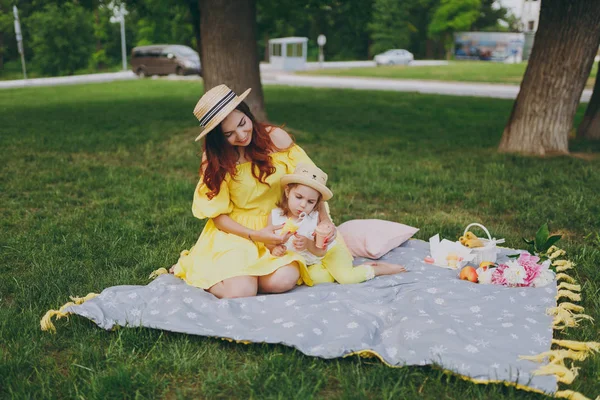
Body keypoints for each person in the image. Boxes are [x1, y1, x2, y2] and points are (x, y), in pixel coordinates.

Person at [171, 84, 400, 299]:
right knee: (241, 291)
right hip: (236, 232)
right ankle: (205, 268)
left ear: (248, 113)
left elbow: (309, 183)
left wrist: (325, 220)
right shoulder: (214, 160)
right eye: (229, 134)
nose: (241, 135)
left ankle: (247, 273)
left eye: (242, 123)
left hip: (281, 224)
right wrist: (257, 235)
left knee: (283, 281)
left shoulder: (275, 138)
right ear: (218, 138)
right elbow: (218, 217)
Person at [270, 163, 406, 284]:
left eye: (310, 201)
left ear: (316, 203)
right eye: (298, 197)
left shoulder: (314, 218)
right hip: (311, 262)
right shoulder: (275, 216)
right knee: (315, 280)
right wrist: (274, 248)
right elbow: (267, 241)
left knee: (347, 279)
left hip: (329, 252)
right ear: (288, 192)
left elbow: (321, 250)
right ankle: (350, 270)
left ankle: (376, 270)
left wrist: (308, 243)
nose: (303, 205)